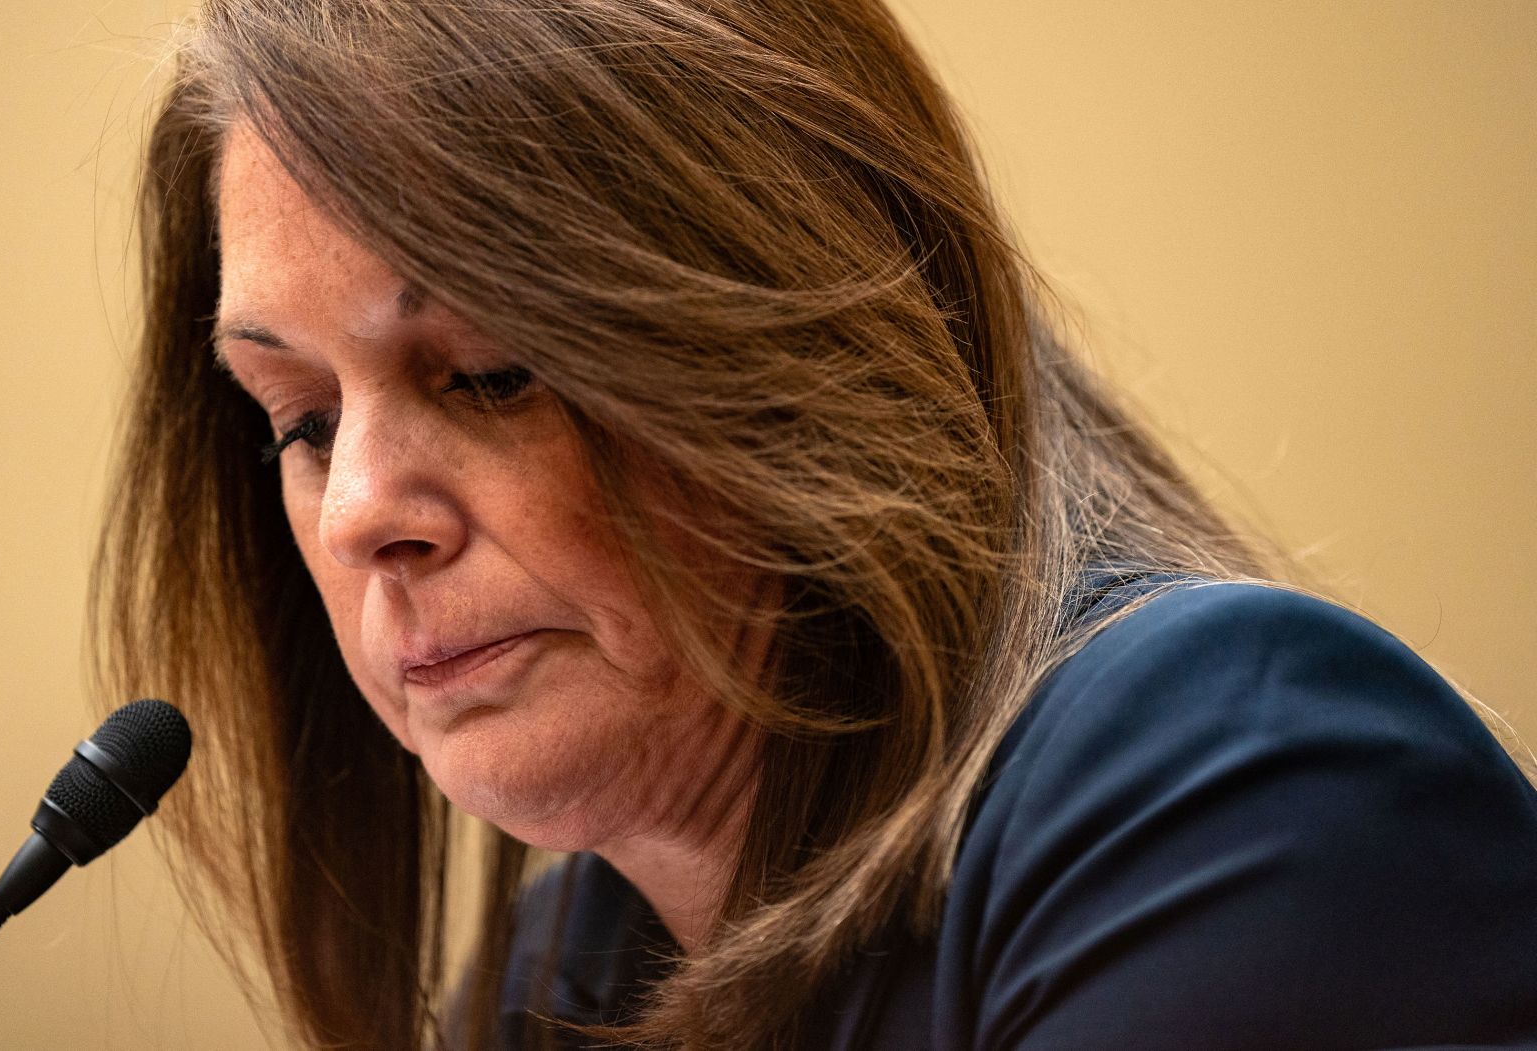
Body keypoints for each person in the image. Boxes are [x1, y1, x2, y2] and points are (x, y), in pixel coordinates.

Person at [91, 1, 1537, 1049]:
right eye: (302, 421)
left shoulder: (1235, 784)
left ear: (794, 359)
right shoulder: (565, 976)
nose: (356, 519)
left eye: (487, 372)